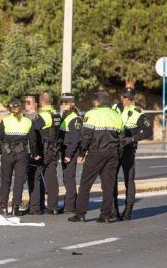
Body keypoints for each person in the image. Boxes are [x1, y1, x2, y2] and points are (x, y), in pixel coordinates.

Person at [69, 92, 124, 223]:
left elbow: (86, 136)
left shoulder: (91, 114)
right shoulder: (116, 115)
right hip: (112, 153)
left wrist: (82, 154)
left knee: (85, 184)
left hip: (96, 153)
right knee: (108, 185)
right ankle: (105, 215)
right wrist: (118, 155)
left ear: (97, 102)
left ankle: (80, 214)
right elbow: (121, 139)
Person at [112, 87, 153, 220]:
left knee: (129, 180)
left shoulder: (137, 113)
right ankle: (114, 209)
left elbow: (148, 131)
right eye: (124, 97)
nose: (126, 100)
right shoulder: (114, 108)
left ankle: (128, 210)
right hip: (114, 149)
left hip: (128, 150)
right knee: (111, 178)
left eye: (128, 98)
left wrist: (133, 139)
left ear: (132, 99)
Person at [0, 98, 38, 216]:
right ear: (21, 107)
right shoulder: (28, 121)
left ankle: (3, 206)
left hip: (7, 154)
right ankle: (16, 208)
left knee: (5, 180)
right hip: (22, 154)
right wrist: (35, 154)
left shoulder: (6, 120)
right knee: (19, 181)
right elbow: (33, 140)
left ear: (10, 108)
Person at [29, 92, 61, 215]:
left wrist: (34, 151)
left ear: (41, 102)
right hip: (54, 150)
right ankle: (53, 207)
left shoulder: (44, 115)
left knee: (34, 175)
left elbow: (33, 130)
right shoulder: (57, 114)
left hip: (44, 150)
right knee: (51, 177)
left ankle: (36, 207)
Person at [58, 93, 82, 214]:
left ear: (72, 103)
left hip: (70, 150)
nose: (63, 104)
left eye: (66, 102)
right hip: (65, 149)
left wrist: (68, 154)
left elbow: (75, 139)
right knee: (66, 178)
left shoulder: (75, 118)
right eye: (62, 102)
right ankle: (70, 203)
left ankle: (70, 206)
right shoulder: (65, 116)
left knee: (69, 178)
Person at [23, 94, 45, 214]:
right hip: (29, 151)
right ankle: (38, 204)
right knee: (35, 179)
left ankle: (35, 207)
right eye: (25, 102)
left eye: (29, 102)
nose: (26, 104)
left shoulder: (37, 117)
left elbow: (37, 129)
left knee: (34, 178)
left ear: (35, 104)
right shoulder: (24, 116)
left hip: (36, 151)